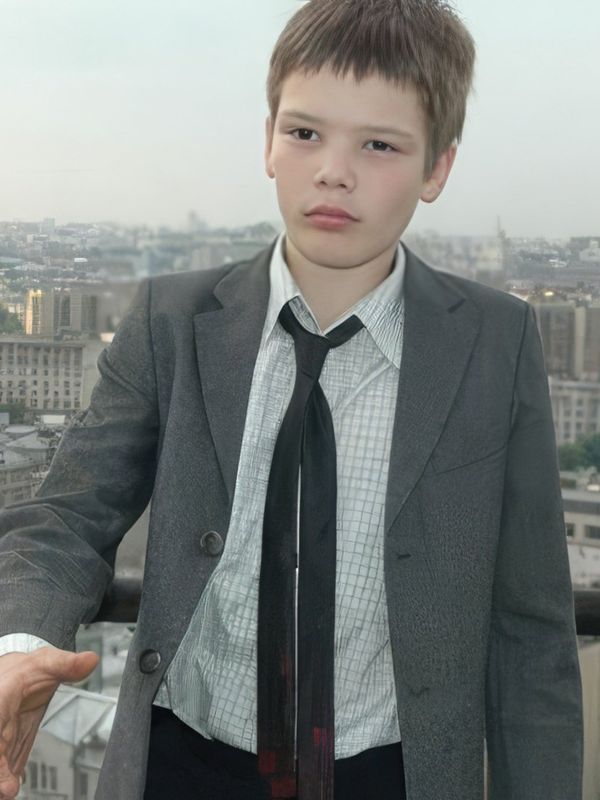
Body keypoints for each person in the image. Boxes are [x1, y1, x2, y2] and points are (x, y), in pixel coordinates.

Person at [0, 0, 584, 798]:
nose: (333, 171)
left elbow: (532, 631)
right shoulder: (172, 321)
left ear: (437, 168)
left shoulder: (495, 342)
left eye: (379, 144)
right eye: (305, 132)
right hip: (184, 766)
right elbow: (69, 514)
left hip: (392, 775)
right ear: (268, 141)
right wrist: (20, 645)